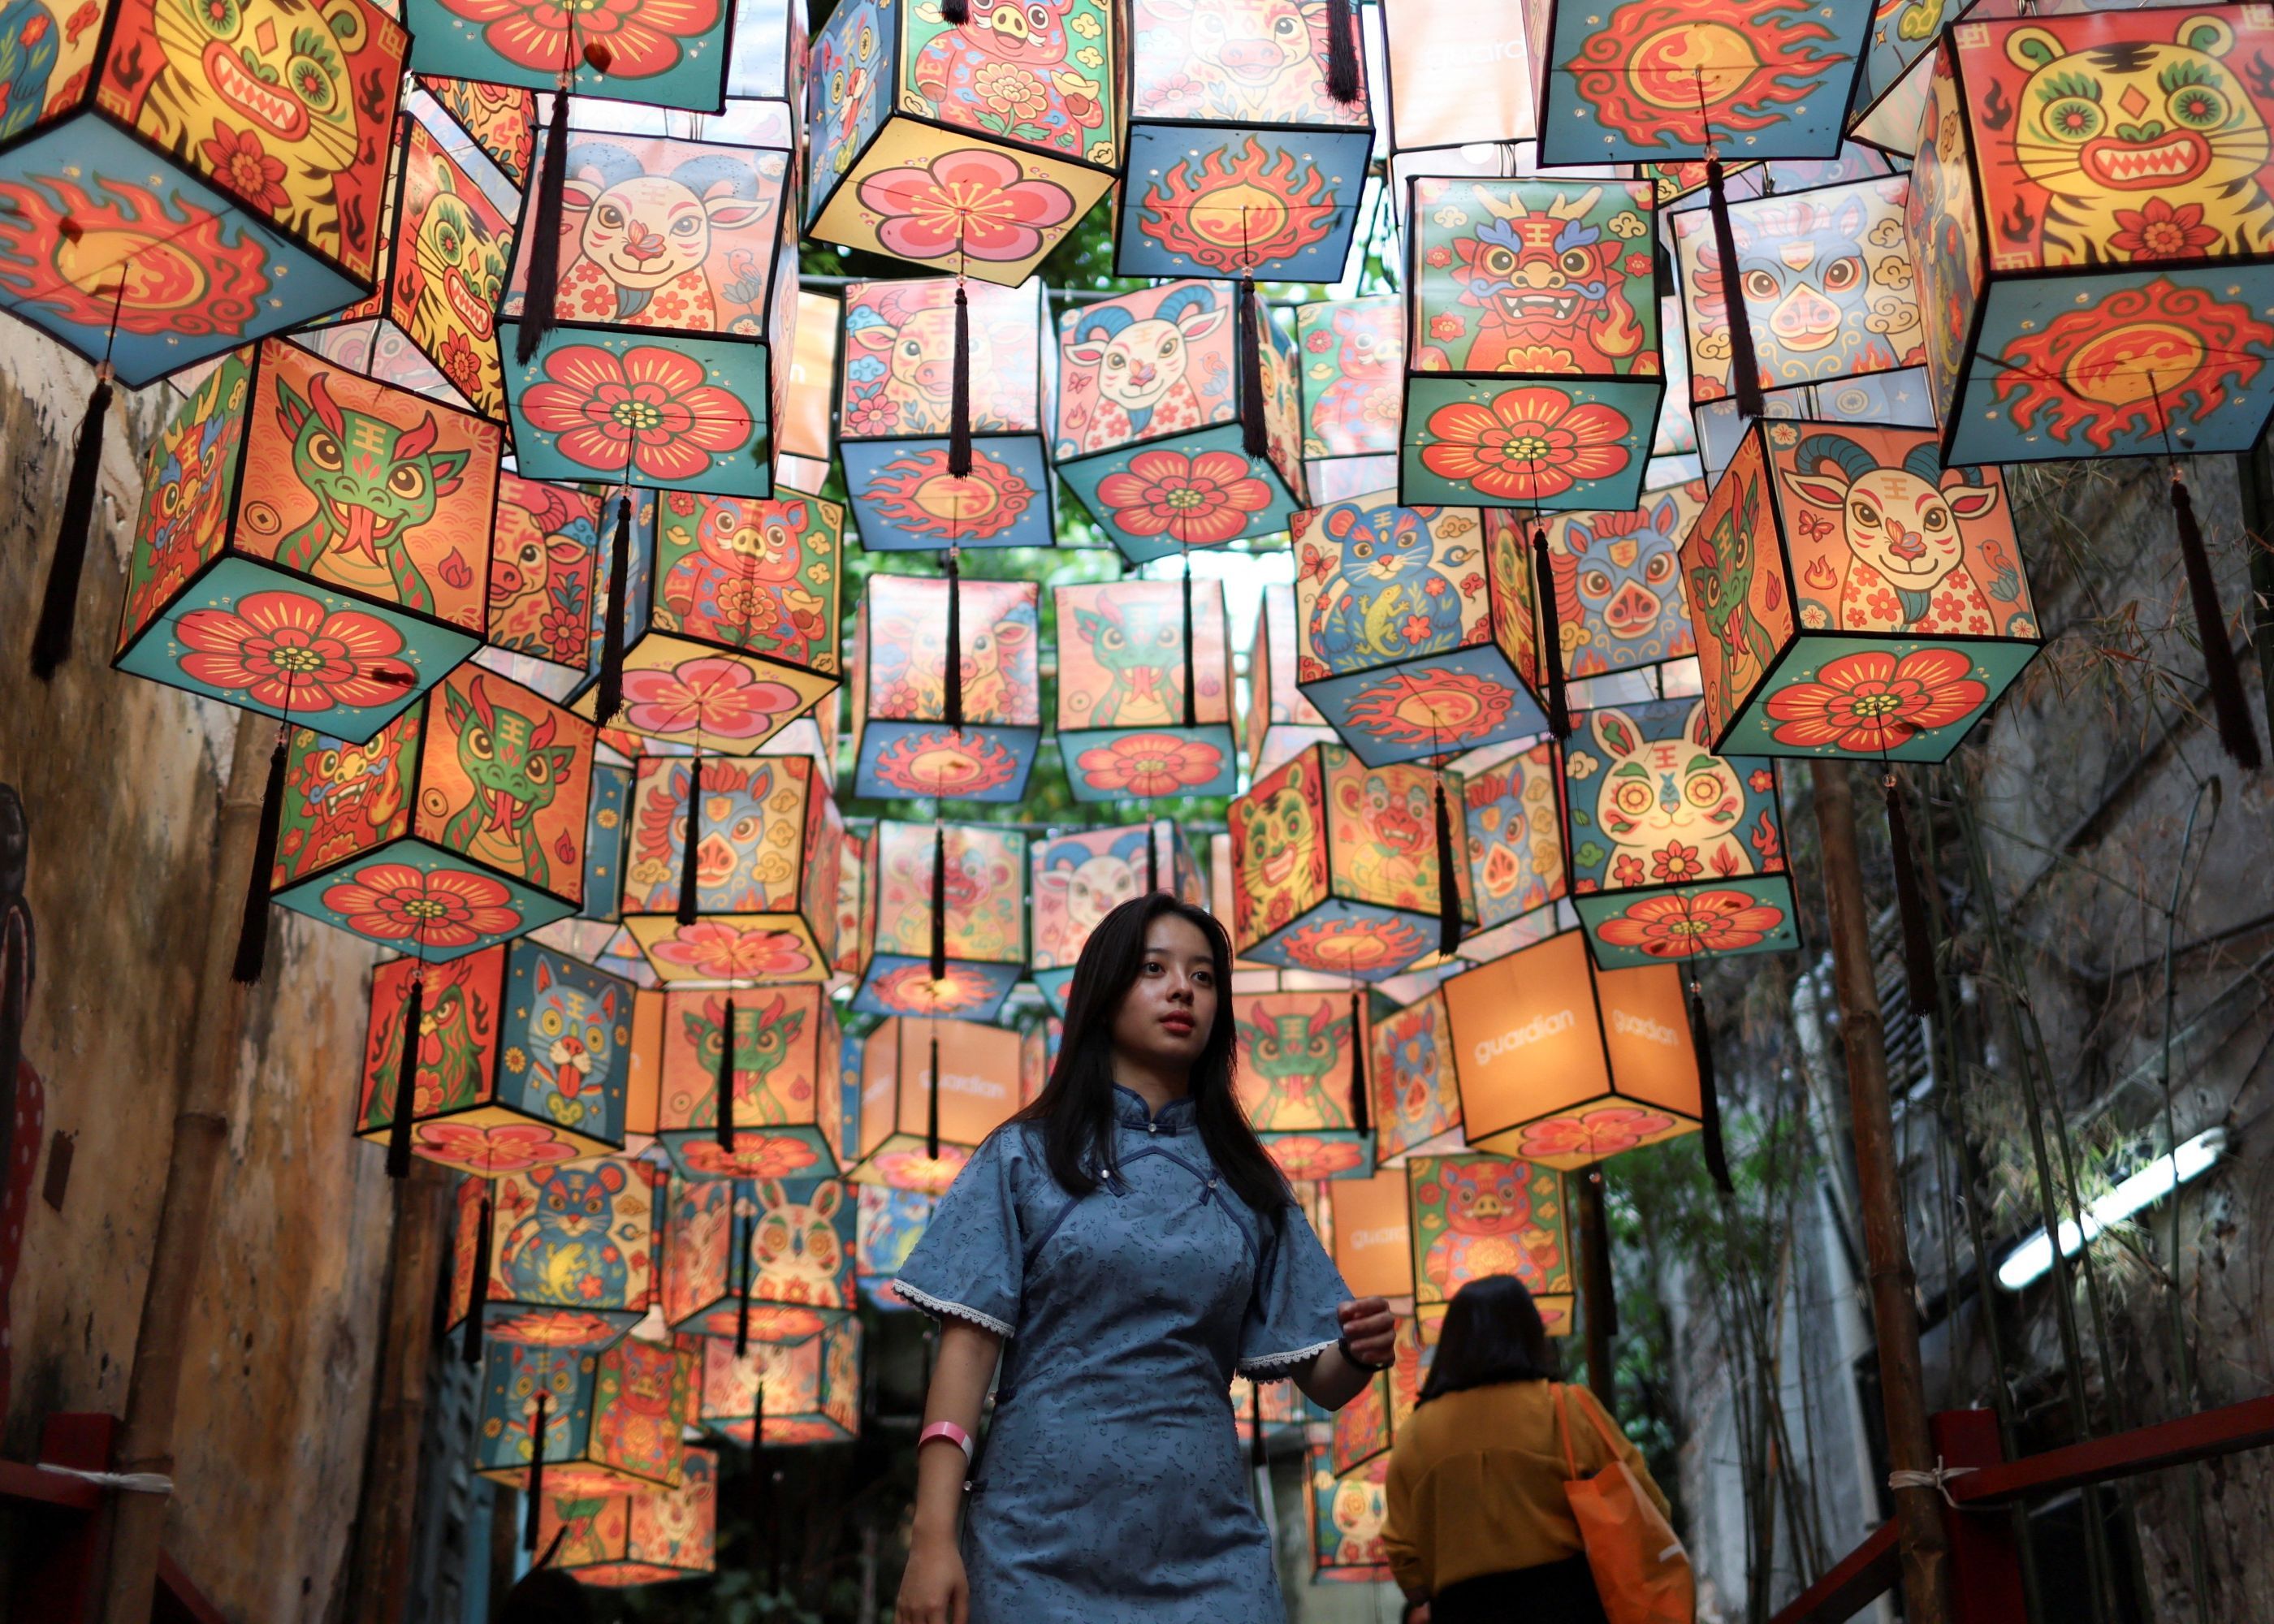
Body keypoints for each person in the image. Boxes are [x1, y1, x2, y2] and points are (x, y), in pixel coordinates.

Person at [892, 892, 1398, 1624]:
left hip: (1210, 1549)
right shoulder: (1025, 1157)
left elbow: (1323, 1378)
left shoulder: (1249, 1181)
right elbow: (966, 1361)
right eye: (1153, 969)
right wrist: (932, 1539)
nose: (1182, 989)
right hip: (1031, 1546)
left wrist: (1361, 1348)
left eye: (1202, 976)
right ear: (1103, 995)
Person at [1381, 1276, 1671, 1624]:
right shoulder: (1566, 1409)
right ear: (1531, 1333)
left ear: (1450, 1344)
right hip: (1569, 1605)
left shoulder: (1415, 1436)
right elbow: (1648, 1506)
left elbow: (1410, 1576)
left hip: (1462, 1609)